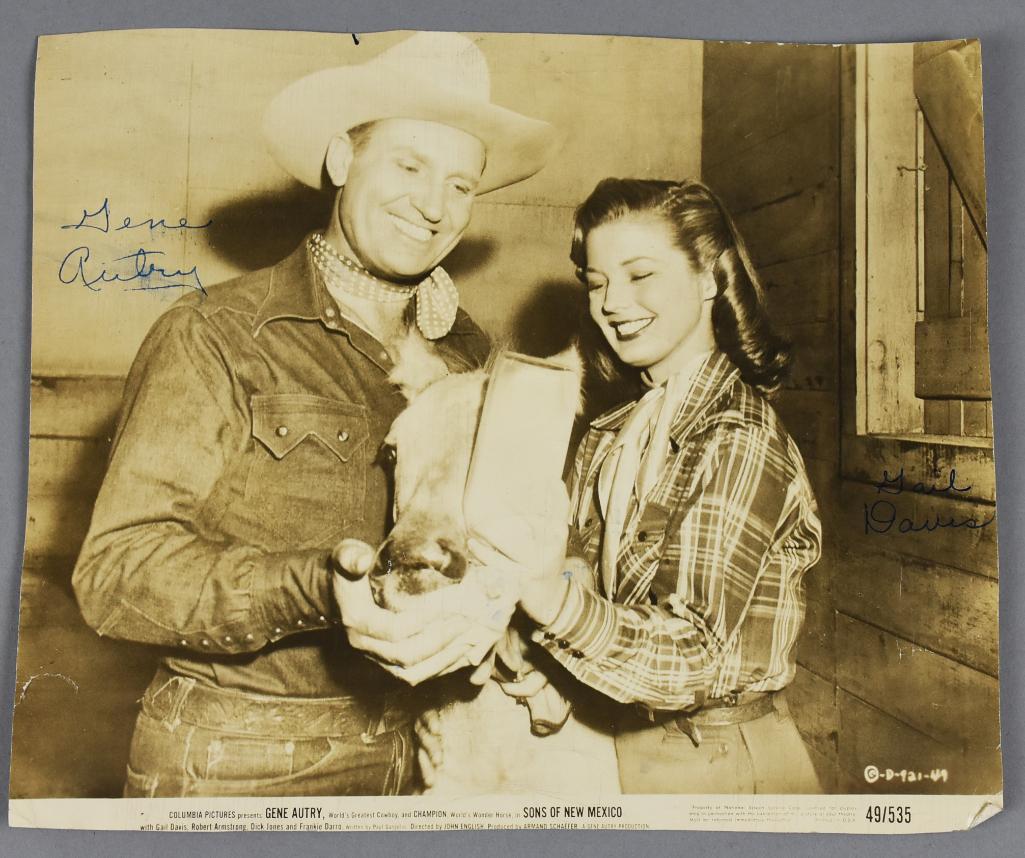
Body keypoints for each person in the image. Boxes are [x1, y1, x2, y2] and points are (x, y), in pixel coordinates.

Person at [70, 31, 560, 798]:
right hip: (240, 757)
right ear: (341, 160)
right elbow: (116, 575)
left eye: (461, 184)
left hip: (422, 751)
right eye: (408, 165)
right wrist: (320, 588)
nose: (434, 206)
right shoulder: (217, 334)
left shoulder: (470, 355)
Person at [451, 177, 824, 794]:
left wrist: (550, 602)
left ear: (710, 277)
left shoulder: (736, 437)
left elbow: (692, 654)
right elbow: (591, 575)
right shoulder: (612, 433)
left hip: (717, 759)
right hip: (626, 740)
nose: (612, 303)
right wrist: (552, 669)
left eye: (640, 275)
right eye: (596, 283)